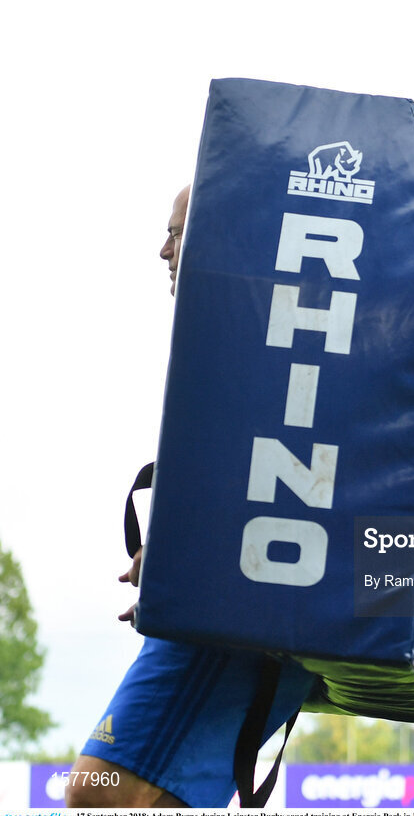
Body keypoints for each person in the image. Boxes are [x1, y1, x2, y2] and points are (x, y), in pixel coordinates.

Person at [66, 186, 315, 808]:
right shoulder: (266, 331)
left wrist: (178, 560)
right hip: (231, 623)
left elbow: (276, 486)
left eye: (176, 232)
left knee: (99, 796)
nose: (162, 250)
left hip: (228, 633)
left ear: (222, 234)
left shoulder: (261, 336)